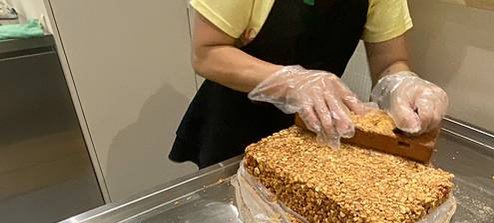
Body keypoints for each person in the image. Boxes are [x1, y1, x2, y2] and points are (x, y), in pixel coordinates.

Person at [170, 0, 449, 169]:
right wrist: (292, 82)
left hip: (311, 136)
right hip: (232, 133)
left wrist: (404, 85)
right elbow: (206, 53)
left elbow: (390, 62)